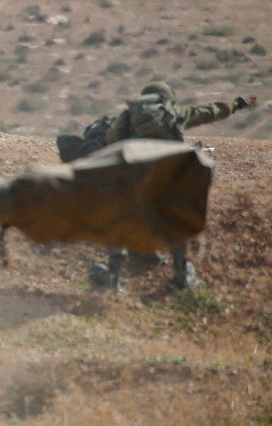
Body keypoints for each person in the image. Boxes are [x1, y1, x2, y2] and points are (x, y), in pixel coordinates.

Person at [90, 81, 256, 289]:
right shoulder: (175, 112)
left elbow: (112, 137)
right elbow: (210, 112)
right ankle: (181, 274)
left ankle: (113, 275)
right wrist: (238, 103)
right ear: (167, 98)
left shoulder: (130, 112)